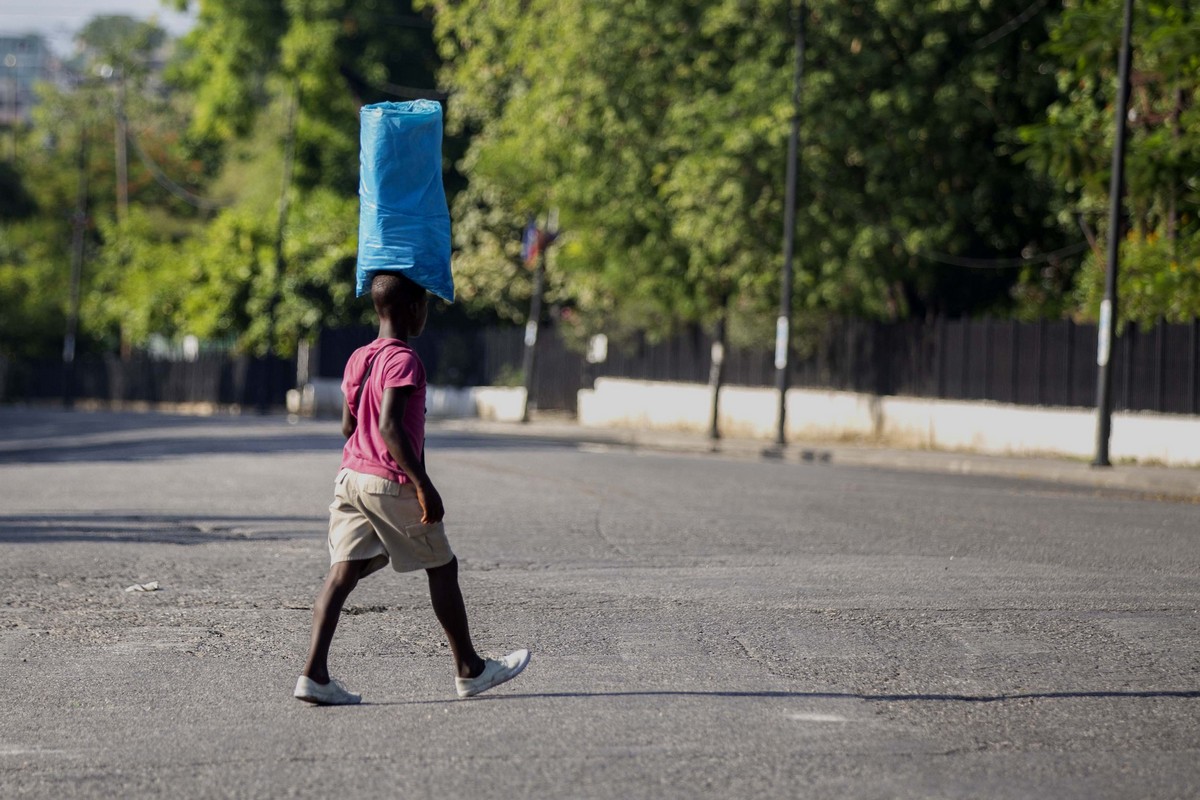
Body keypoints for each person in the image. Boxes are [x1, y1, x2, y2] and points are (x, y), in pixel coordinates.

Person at [295, 271, 529, 704]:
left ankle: (314, 675)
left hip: (349, 478)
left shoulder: (359, 358)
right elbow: (389, 426)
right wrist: (423, 484)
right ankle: (470, 669)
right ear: (412, 310)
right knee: (442, 565)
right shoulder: (403, 360)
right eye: (424, 306)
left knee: (341, 574)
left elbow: (349, 425)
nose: (426, 315)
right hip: (387, 480)